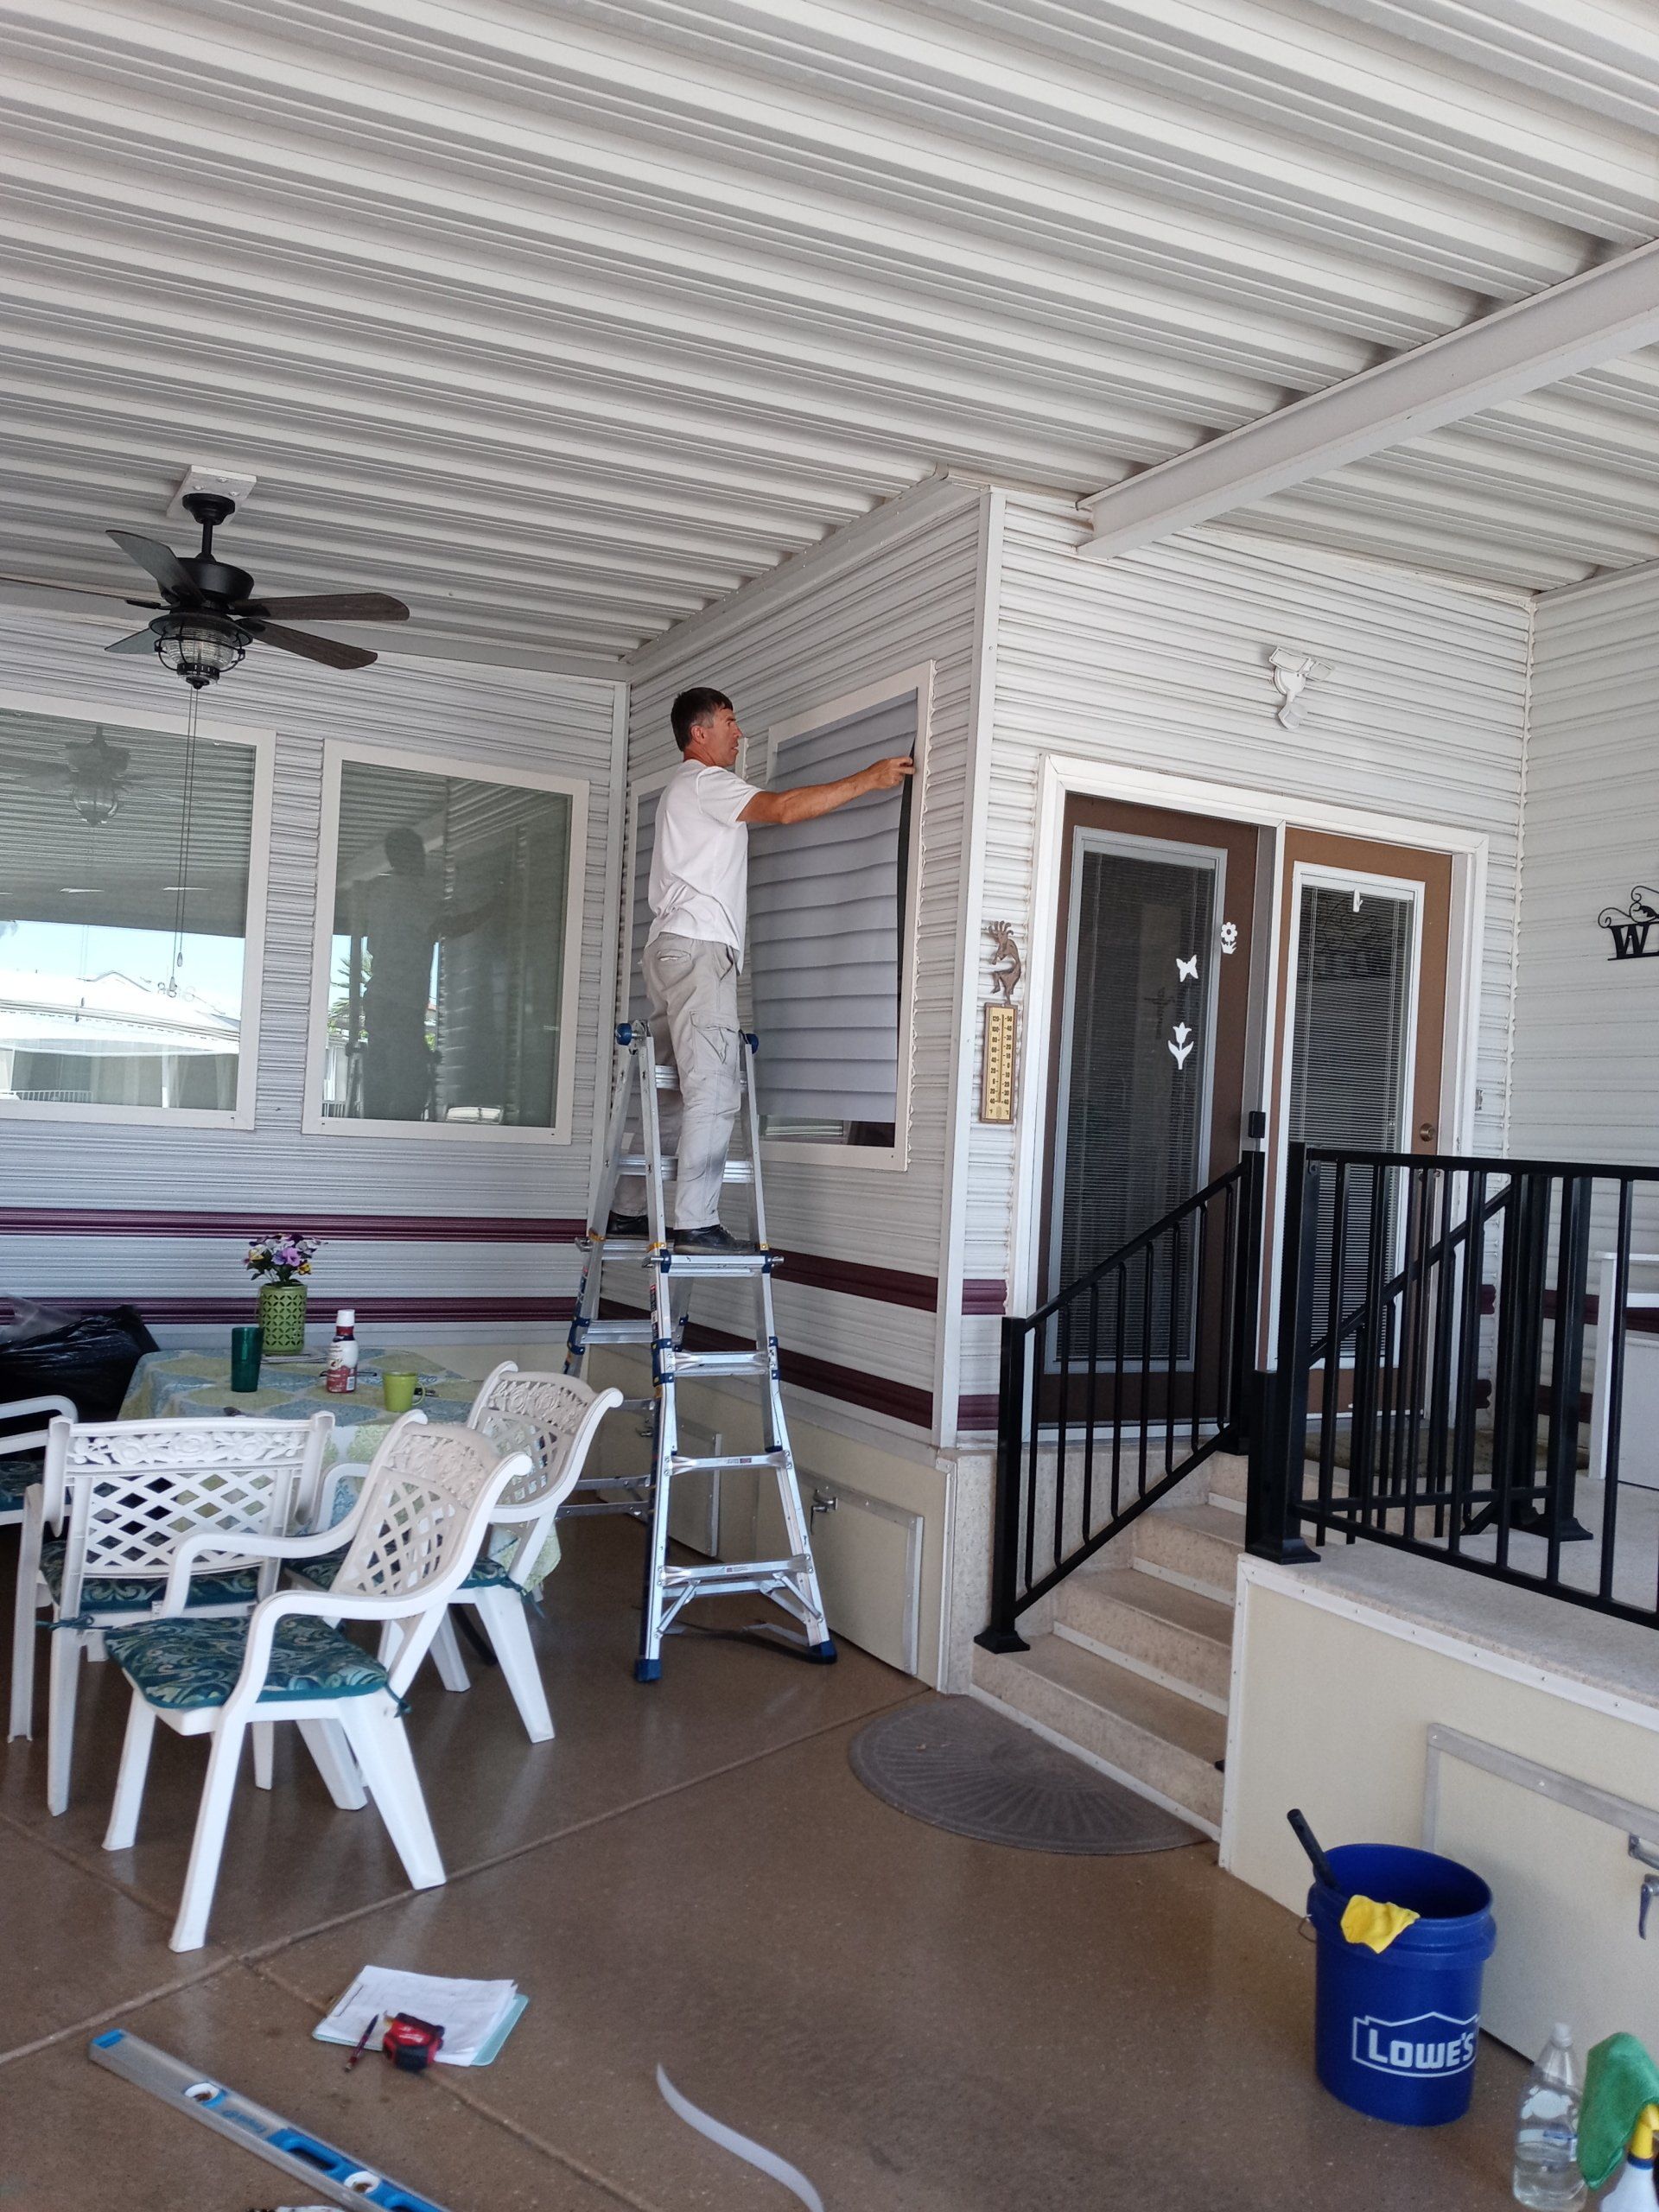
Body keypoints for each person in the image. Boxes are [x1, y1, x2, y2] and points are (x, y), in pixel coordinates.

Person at [612, 686, 914, 1250]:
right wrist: (867, 779)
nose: (739, 732)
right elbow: (781, 809)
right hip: (699, 952)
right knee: (717, 1091)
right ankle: (695, 1221)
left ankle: (629, 1208)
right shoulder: (705, 782)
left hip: (670, 950)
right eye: (729, 721)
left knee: (673, 1094)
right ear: (698, 733)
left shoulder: (681, 790)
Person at [356, 827, 499, 1122]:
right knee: (409, 1084)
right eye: (419, 853)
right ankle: (400, 1142)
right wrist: (493, 908)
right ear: (408, 855)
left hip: (380, 999)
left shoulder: (382, 892)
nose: (423, 860)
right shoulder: (408, 892)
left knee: (383, 1079)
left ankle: (374, 1136)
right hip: (400, 1002)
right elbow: (448, 926)